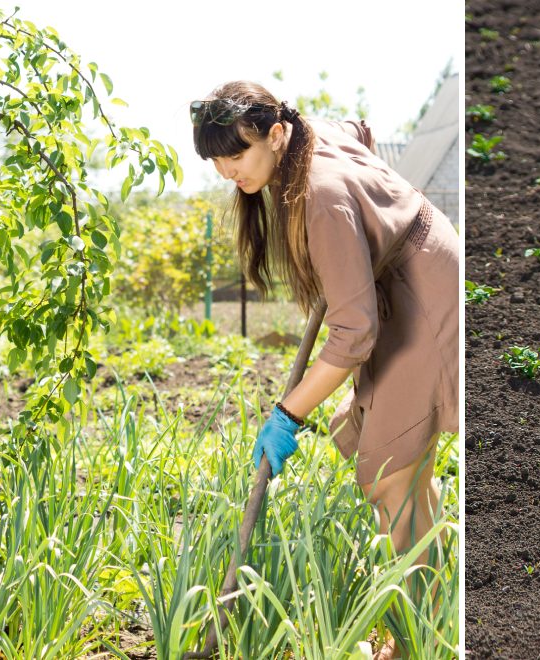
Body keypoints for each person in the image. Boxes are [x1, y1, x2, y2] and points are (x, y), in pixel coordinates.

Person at [190, 80, 458, 658]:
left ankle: (422, 640)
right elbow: (359, 131)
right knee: (354, 431)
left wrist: (287, 413)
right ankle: (433, 602)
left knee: (389, 469)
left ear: (276, 134)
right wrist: (358, 243)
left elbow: (353, 333)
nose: (227, 172)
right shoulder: (307, 135)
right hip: (401, 284)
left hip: (427, 297)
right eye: (217, 160)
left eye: (237, 155)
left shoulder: (318, 195)